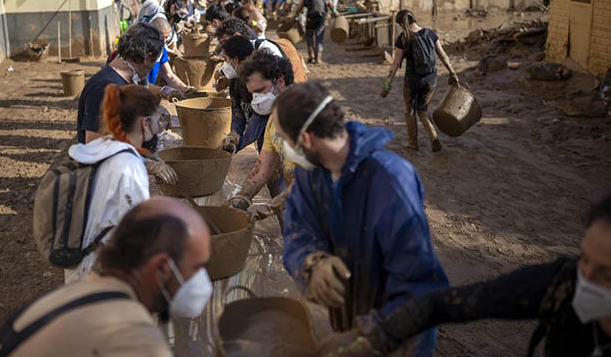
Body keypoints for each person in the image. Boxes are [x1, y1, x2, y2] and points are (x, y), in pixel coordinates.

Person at [274, 82, 449, 357]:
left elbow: (421, 284)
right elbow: (297, 231)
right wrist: (311, 263)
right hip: (348, 315)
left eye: (285, 139)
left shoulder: (390, 180)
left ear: (306, 139)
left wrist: (370, 339)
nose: (286, 148)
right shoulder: (311, 175)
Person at [321, 193, 611, 357]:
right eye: (583, 259)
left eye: (606, 275)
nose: (585, 278)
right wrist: (374, 339)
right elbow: (443, 304)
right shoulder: (561, 285)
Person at [0, 197, 212, 357]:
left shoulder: (73, 294)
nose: (202, 279)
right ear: (162, 267)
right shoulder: (132, 338)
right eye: (197, 267)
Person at [66, 84, 175, 283]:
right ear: (144, 123)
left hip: (78, 262)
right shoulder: (128, 166)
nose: (159, 127)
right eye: (157, 120)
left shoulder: (96, 148)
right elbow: (134, 234)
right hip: (104, 271)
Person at [77, 23, 177, 183]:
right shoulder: (103, 90)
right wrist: (148, 165)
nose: (152, 68)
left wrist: (163, 92)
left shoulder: (124, 78)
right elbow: (95, 146)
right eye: (154, 62)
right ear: (146, 58)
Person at [228, 51, 295, 221]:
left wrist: (285, 198)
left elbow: (327, 173)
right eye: (253, 94)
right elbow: (262, 169)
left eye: (260, 90)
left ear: (280, 81)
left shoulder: (312, 114)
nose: (257, 99)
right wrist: (241, 199)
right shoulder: (273, 121)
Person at [381, 9, 459, 152]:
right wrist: (452, 73)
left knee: (410, 110)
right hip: (430, 78)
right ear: (414, 18)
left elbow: (395, 65)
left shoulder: (403, 38)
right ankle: (434, 137)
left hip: (412, 80)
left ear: (400, 23)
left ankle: (412, 143)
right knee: (423, 109)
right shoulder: (430, 33)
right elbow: (443, 55)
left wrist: (387, 84)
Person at [220, 36, 269, 154]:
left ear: (236, 60)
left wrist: (238, 145)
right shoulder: (235, 83)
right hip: (258, 129)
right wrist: (234, 135)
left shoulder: (262, 82)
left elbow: (258, 124)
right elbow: (237, 113)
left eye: (225, 59)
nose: (224, 64)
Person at [147, 17, 195, 94]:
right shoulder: (141, 51)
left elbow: (169, 75)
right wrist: (164, 91)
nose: (164, 41)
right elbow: (139, 83)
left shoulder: (161, 50)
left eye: (166, 37)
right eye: (161, 37)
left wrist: (185, 88)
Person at [297, 0, 328, 64]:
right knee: (319, 35)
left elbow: (301, 4)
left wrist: (296, 12)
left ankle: (311, 56)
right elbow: (328, 1)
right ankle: (318, 58)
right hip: (321, 14)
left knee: (309, 34)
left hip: (311, 14)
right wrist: (334, 11)